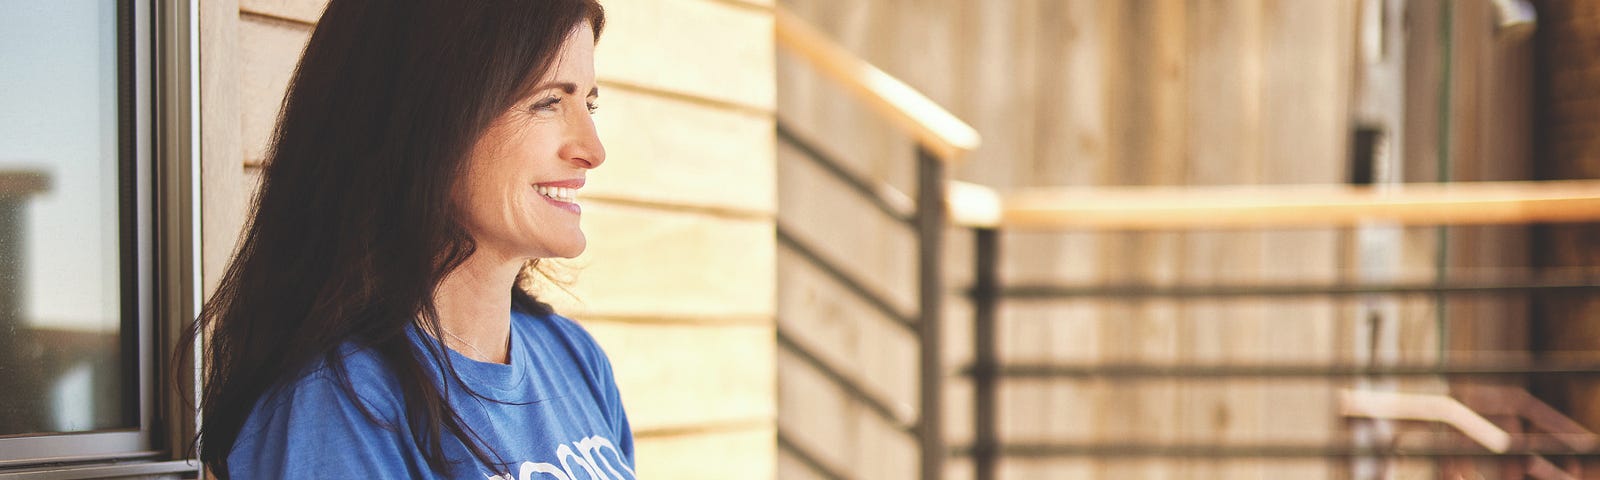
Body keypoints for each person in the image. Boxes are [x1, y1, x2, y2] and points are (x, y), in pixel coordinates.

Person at [180, 1, 632, 478]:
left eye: (589, 102)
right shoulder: (340, 404)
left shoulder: (574, 359)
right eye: (549, 102)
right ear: (426, 114)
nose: (592, 150)